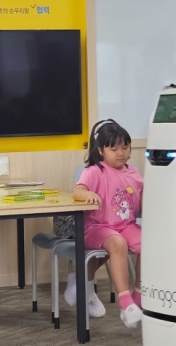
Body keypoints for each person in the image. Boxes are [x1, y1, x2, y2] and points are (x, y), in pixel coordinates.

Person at [65, 120, 144, 328]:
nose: (121, 153)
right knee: (118, 244)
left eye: (125, 147)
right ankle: (126, 303)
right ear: (101, 150)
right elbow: (77, 191)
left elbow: (143, 201)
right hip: (96, 227)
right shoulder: (94, 171)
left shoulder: (134, 173)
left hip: (126, 226)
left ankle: (139, 298)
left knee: (149, 244)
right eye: (114, 148)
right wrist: (87, 194)